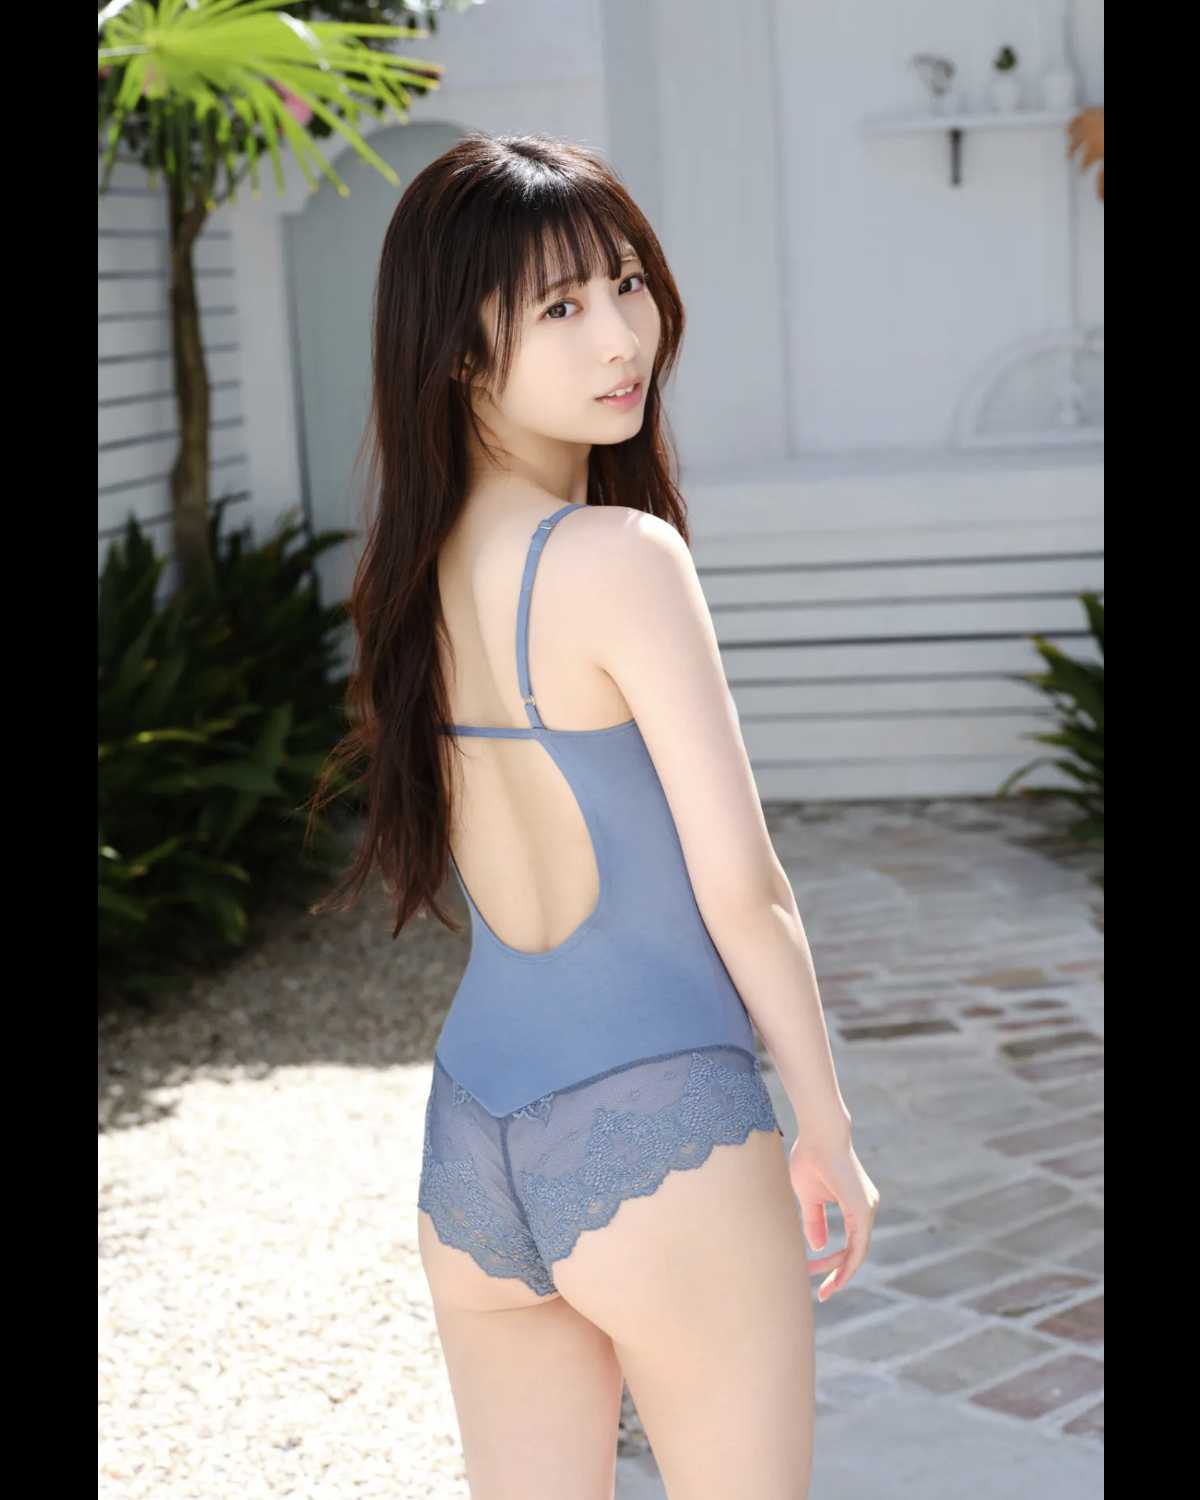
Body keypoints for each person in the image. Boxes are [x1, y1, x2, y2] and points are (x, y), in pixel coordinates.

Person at [308, 130, 879, 1499]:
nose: (622, 335)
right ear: (460, 349)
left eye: (625, 283)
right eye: (560, 307)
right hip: (664, 1129)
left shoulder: (415, 573)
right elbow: (746, 891)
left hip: (474, 1141)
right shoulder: (621, 558)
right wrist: (829, 1131)